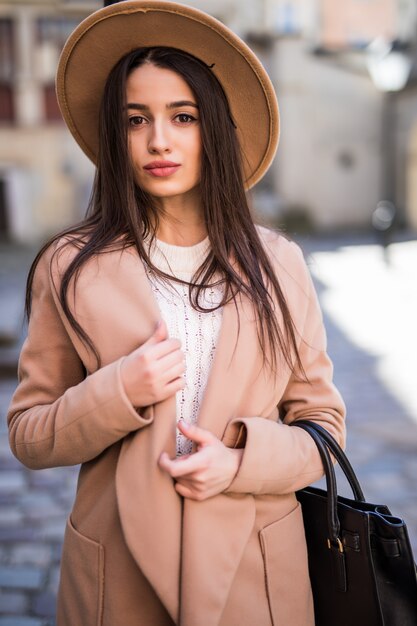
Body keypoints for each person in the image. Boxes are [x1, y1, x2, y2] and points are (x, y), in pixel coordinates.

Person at [7, 2, 346, 625]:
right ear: (117, 134)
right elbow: (27, 434)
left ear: (213, 128)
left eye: (182, 117)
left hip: (255, 570)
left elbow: (322, 428)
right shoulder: (70, 265)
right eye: (137, 119)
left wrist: (241, 462)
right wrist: (118, 391)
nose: (158, 140)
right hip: (120, 574)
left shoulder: (279, 263)